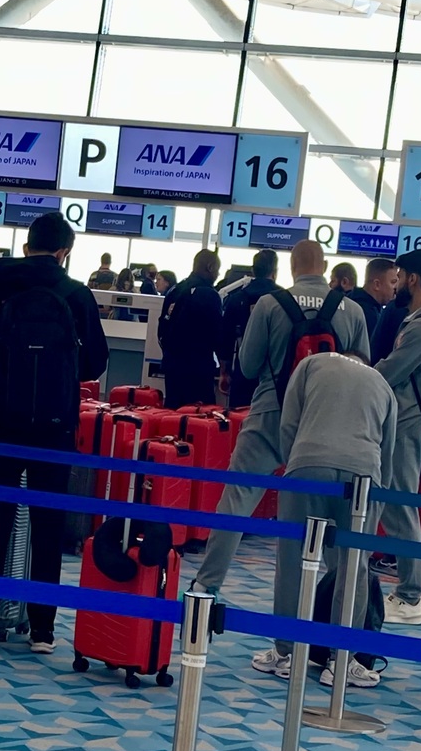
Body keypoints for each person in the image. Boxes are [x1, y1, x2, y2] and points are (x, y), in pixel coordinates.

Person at [0, 212, 108, 655]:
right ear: (64, 252)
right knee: (48, 527)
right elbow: (95, 363)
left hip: (0, 421)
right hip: (55, 427)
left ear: (26, 247)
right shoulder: (76, 294)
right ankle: (42, 630)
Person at [193, 239, 369, 597]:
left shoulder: (270, 304)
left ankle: (205, 586)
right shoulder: (352, 310)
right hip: (327, 423)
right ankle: (344, 601)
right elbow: (362, 371)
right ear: (325, 267)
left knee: (237, 499)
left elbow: (248, 366)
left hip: (271, 414)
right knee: (331, 514)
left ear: (291, 267)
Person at [251, 352, 395, 687]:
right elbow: (388, 451)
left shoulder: (312, 364)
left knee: (292, 559)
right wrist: (378, 493)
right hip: (363, 474)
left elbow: (289, 423)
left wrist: (296, 463)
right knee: (353, 567)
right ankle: (341, 661)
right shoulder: (383, 384)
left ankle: (286, 653)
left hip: (309, 462)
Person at [375, 249, 421, 625]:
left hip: (407, 426)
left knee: (400, 507)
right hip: (408, 425)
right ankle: (409, 592)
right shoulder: (420, 322)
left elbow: (389, 372)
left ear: (413, 278)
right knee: (396, 504)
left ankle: (411, 595)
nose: (395, 284)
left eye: (399, 277)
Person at [158, 248, 223, 409]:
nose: (218, 275)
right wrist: (224, 366)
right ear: (210, 267)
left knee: (173, 416)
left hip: (172, 368)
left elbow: (162, 329)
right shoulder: (209, 295)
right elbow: (217, 336)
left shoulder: (175, 290)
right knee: (198, 417)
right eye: (217, 270)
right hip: (198, 370)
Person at [218, 249, 281, 409]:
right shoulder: (284, 300)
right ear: (275, 272)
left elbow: (225, 340)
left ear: (253, 271)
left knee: (239, 418)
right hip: (274, 377)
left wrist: (224, 372)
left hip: (243, 372)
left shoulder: (237, 298)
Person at [348, 257, 398, 343]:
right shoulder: (368, 314)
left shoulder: (351, 301)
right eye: (393, 282)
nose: (396, 288)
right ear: (377, 284)